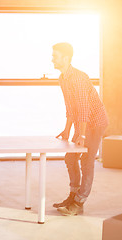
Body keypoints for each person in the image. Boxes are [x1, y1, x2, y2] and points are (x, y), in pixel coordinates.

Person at [52, 42, 108, 216]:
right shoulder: (63, 78)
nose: (52, 59)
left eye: (55, 56)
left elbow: (84, 108)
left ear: (66, 58)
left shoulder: (78, 78)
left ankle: (79, 202)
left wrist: (82, 134)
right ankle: (73, 194)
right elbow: (70, 107)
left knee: (86, 161)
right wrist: (67, 130)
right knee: (70, 158)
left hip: (95, 123)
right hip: (82, 123)